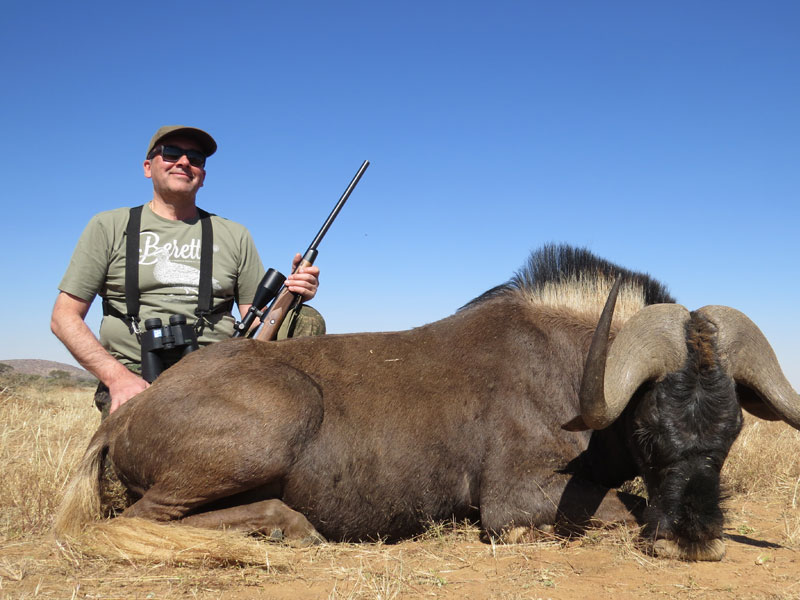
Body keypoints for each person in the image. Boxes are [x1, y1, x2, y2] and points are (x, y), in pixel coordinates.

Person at [51, 125, 324, 416]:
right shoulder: (108, 226)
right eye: (171, 153)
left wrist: (292, 296)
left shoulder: (234, 234)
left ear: (202, 176)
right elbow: (64, 317)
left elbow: (254, 320)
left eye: (195, 158)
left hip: (217, 370)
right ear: (147, 167)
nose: (184, 162)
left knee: (305, 319)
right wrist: (117, 377)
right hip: (135, 375)